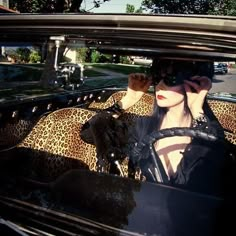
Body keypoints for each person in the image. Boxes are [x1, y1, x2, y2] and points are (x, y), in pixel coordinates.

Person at [80, 58, 226, 196]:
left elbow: (220, 163)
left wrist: (198, 111)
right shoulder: (144, 127)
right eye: (156, 78)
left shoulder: (207, 134)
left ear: (195, 82)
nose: (160, 86)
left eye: (171, 79)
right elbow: (88, 131)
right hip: (144, 213)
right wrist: (127, 100)